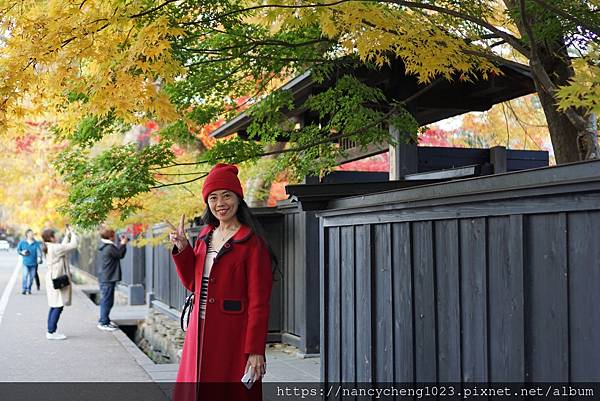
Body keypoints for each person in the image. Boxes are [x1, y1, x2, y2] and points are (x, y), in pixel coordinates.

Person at [168, 163, 275, 401]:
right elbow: (192, 284)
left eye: (227, 196)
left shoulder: (252, 243)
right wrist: (183, 248)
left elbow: (259, 302)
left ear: (238, 198)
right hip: (199, 330)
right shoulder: (205, 236)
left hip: (233, 336)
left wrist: (256, 350)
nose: (220, 203)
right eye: (213, 197)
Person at [41, 226, 78, 340]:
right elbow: (73, 245)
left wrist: (67, 236)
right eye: (54, 235)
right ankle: (51, 331)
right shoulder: (55, 248)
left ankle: (51, 330)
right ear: (51, 238)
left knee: (54, 305)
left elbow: (63, 246)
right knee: (58, 305)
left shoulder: (50, 246)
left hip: (52, 278)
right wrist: (73, 233)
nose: (56, 237)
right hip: (57, 279)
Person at [96, 228, 128, 331]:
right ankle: (103, 322)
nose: (115, 237)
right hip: (108, 278)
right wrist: (123, 244)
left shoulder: (105, 246)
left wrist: (121, 243)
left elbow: (116, 252)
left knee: (107, 300)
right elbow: (120, 254)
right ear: (110, 237)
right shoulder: (109, 247)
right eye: (113, 235)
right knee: (106, 300)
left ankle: (106, 320)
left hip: (105, 277)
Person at [17, 229, 43, 294]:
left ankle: (29, 289)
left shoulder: (36, 243)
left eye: (32, 233)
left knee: (31, 278)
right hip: (25, 263)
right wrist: (22, 252)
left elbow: (39, 251)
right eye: (30, 233)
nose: (32, 234)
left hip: (34, 263)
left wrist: (39, 258)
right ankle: (24, 289)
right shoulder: (22, 242)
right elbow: (18, 250)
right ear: (27, 234)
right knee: (25, 276)